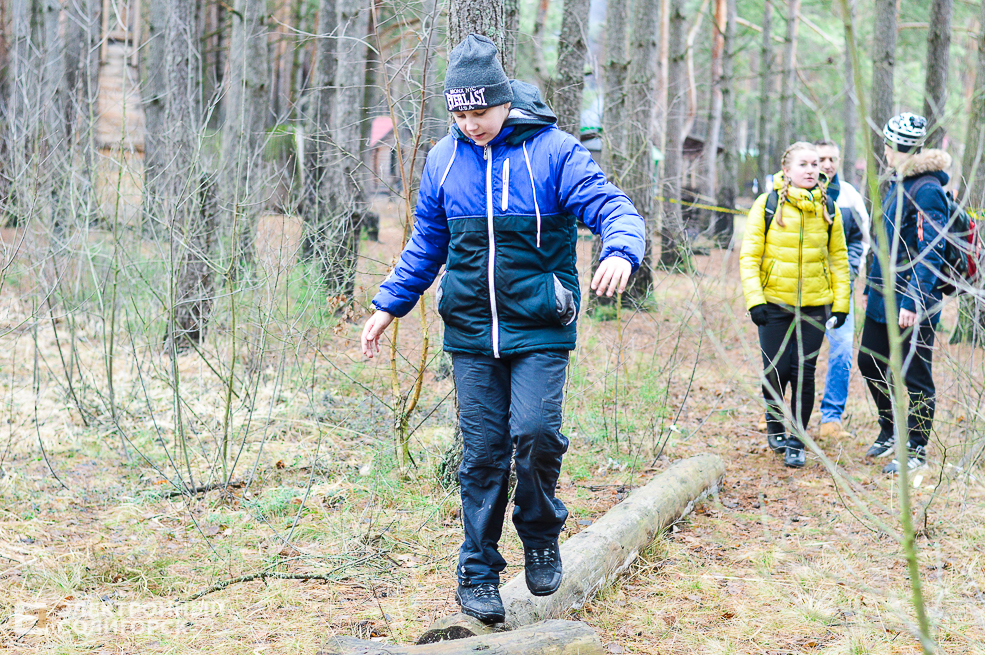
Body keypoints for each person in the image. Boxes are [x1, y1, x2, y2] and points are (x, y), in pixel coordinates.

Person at [360, 35, 646, 624]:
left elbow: (614, 207)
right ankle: (477, 570)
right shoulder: (443, 160)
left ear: (504, 102)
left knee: (537, 434)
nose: (470, 125)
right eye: (459, 114)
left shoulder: (554, 151)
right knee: (484, 453)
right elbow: (426, 245)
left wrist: (620, 250)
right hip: (469, 331)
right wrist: (389, 304)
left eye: (480, 112)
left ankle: (540, 533)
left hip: (539, 324)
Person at [740, 142, 851, 468]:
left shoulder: (828, 207)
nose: (811, 170)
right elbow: (749, 257)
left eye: (815, 164)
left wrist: (840, 304)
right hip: (774, 304)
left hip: (815, 306)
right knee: (776, 370)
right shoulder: (768, 204)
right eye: (803, 164)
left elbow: (839, 260)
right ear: (786, 169)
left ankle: (797, 440)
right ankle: (775, 424)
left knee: (804, 373)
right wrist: (755, 299)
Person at [858, 112, 949, 474]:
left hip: (914, 302)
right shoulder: (899, 182)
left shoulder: (926, 188)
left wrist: (915, 300)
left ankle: (916, 449)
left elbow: (931, 250)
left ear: (893, 146)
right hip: (884, 297)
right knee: (870, 362)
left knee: (915, 375)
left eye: (888, 143)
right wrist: (870, 288)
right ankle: (890, 431)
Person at [814, 140, 870, 440]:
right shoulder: (797, 192)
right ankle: (776, 412)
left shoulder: (849, 195)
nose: (827, 164)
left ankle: (831, 419)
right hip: (803, 289)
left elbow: (863, 237)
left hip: (840, 290)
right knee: (796, 353)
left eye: (832, 158)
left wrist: (849, 272)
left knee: (841, 353)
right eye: (821, 158)